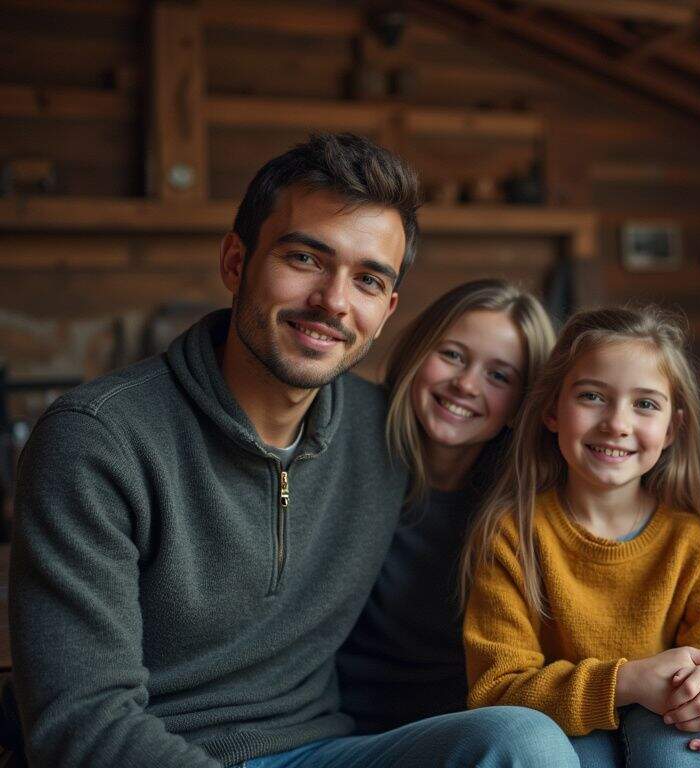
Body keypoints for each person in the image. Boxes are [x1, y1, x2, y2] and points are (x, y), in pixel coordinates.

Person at [4, 133, 575, 768]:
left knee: (523, 743)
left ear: (385, 311)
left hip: (323, 752)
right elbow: (82, 725)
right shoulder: (98, 438)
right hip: (160, 752)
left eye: (366, 279)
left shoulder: (382, 429)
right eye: (305, 258)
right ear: (234, 262)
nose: (332, 301)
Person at [461, 306, 700, 767]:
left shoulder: (695, 543)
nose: (617, 423)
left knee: (671, 739)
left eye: (645, 404)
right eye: (592, 396)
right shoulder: (513, 535)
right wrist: (625, 683)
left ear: (672, 428)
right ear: (552, 411)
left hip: (669, 737)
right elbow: (495, 689)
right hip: (565, 735)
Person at [337, 278, 556, 732]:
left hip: (457, 731)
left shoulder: (522, 512)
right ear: (419, 354)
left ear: (522, 405)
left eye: (499, 376)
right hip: (330, 726)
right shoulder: (343, 447)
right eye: (453, 355)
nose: (465, 385)